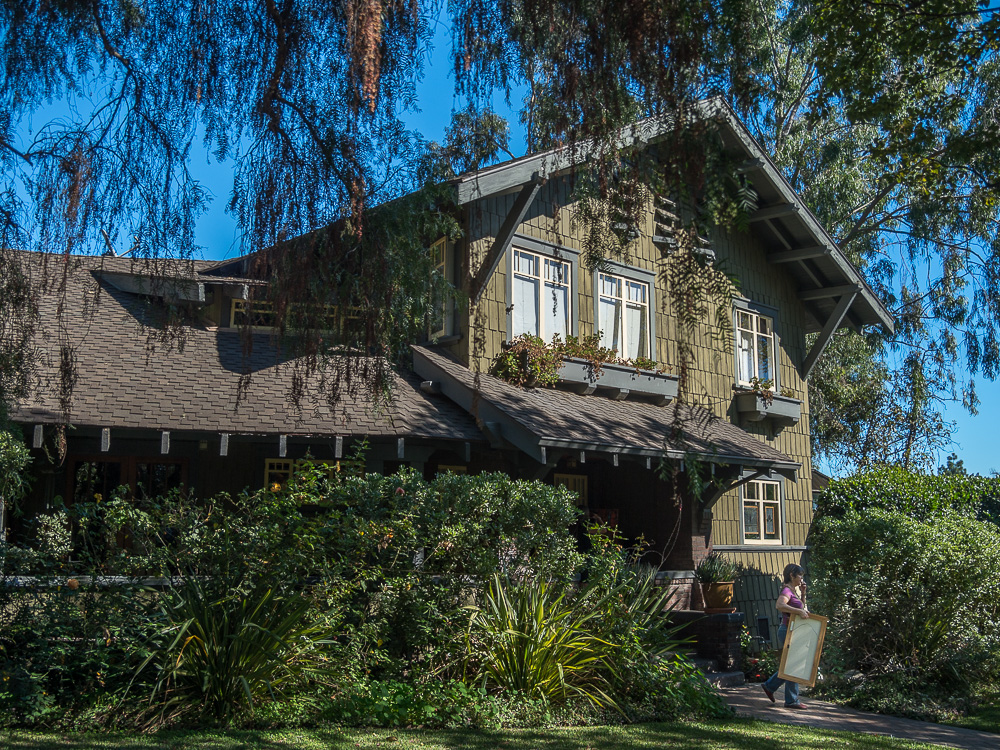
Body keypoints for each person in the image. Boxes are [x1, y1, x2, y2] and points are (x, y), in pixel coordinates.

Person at [761, 563, 809, 709]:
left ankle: (770, 686)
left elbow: (802, 608)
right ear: (791, 575)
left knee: (790, 664)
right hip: (787, 630)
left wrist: (803, 594)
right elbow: (780, 605)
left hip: (792, 630)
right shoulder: (787, 591)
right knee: (793, 665)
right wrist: (798, 612)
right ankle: (791, 700)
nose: (801, 578)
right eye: (799, 575)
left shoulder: (794, 591)